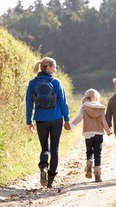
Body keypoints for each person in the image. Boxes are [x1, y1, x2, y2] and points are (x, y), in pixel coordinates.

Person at [26, 57, 71, 188]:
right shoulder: (56, 82)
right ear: (48, 68)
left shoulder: (32, 83)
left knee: (45, 148)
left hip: (40, 119)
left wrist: (29, 121)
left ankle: (44, 166)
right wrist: (67, 120)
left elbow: (29, 103)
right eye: (54, 67)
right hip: (56, 119)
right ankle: (50, 181)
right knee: (55, 149)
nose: (56, 70)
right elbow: (63, 103)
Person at [69, 88, 112, 182]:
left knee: (89, 151)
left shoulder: (84, 107)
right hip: (99, 133)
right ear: (95, 97)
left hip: (88, 133)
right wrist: (108, 131)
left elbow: (79, 118)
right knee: (98, 153)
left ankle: (89, 162)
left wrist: (71, 125)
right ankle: (97, 175)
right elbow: (104, 122)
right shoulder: (101, 108)